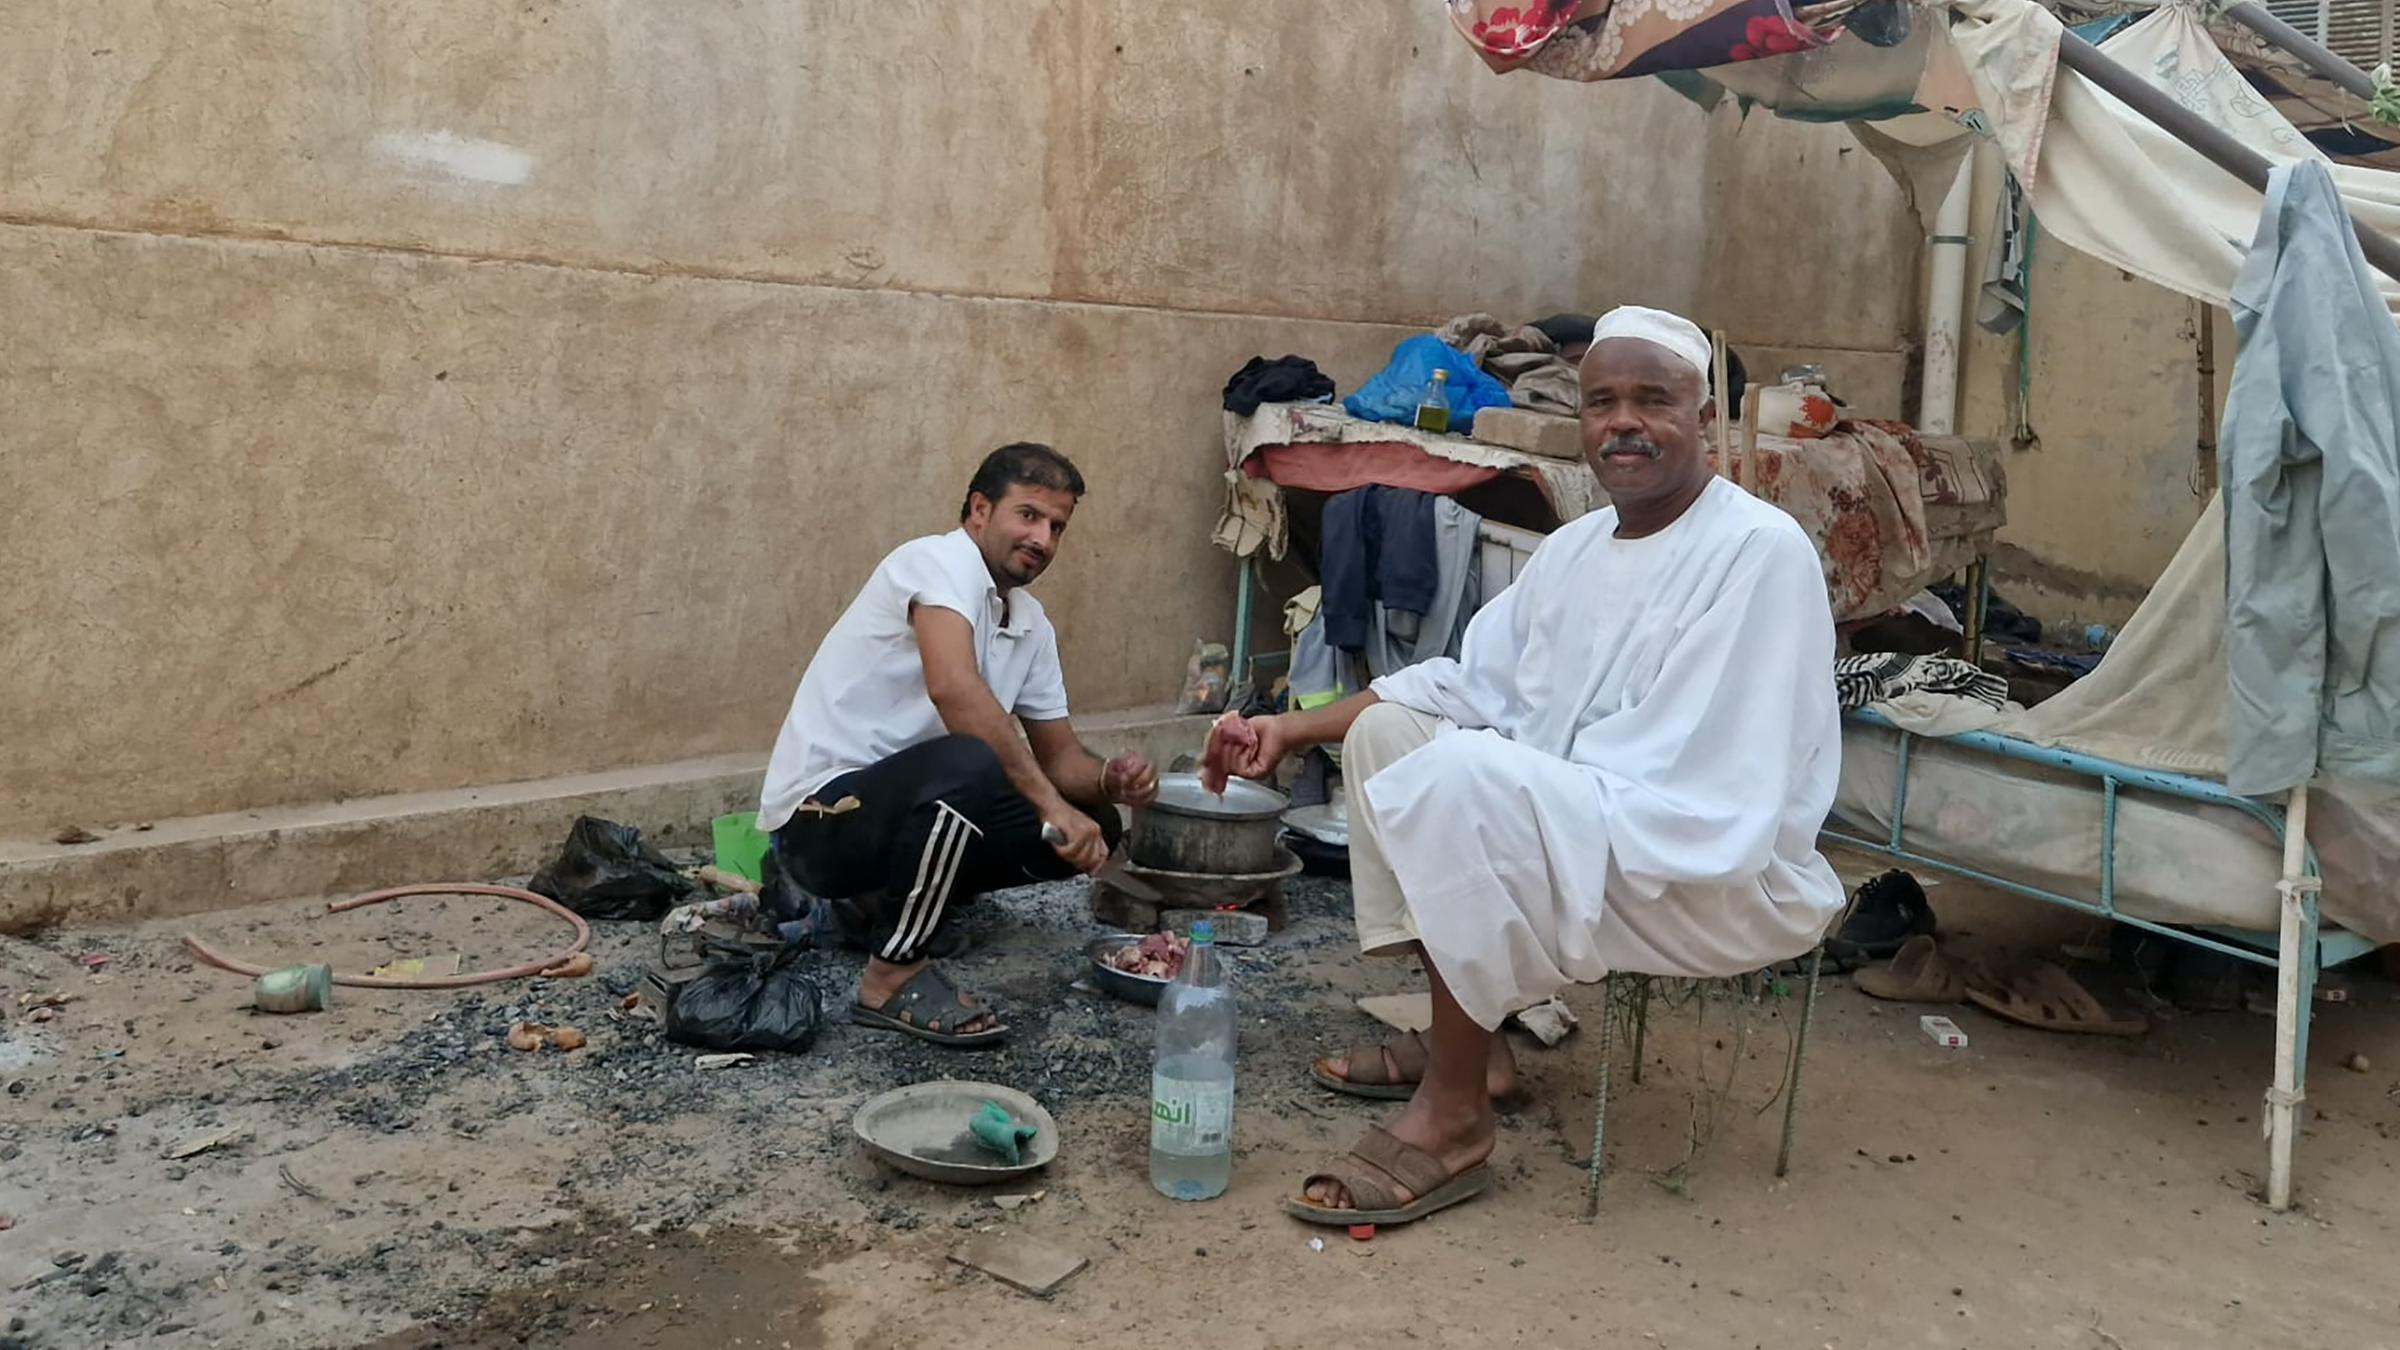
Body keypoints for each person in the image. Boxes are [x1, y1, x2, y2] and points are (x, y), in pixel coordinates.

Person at [1204, 306, 1844, 1226]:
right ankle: (1473, 1043)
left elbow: (1707, 787)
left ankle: (1457, 1114)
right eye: (1601, 402)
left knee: (1464, 775)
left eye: (1653, 400)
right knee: (1396, 743)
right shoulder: (1579, 546)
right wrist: (1290, 732)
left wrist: (1516, 779)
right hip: (1581, 821)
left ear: (1702, 416)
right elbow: (1467, 682)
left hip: (1701, 863)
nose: (1624, 422)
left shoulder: (1758, 551)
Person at [758, 442, 1160, 1047]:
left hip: (898, 816)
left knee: (1091, 821)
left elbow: (1062, 761)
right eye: (1028, 515)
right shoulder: (936, 563)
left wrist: (1109, 781)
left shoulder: (1029, 623)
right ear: (979, 510)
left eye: (1057, 527)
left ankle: (876, 907)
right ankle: (891, 974)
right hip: (820, 824)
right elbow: (954, 689)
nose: (1044, 539)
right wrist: (1050, 804)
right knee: (973, 762)